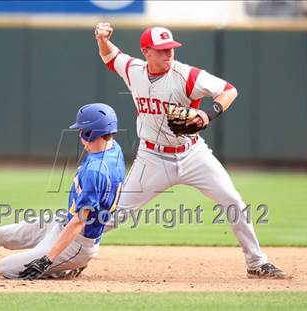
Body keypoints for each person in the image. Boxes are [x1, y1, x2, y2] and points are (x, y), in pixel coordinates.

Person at [94, 22, 289, 279]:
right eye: (161, 49)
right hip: (152, 157)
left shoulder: (187, 75)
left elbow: (229, 90)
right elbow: (110, 56)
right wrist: (102, 38)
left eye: (171, 48)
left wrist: (209, 114)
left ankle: (256, 262)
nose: (168, 53)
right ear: (146, 51)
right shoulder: (134, 70)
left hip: (192, 153)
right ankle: (69, 251)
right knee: (114, 215)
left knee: (233, 202)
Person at [0, 103, 125, 280]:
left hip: (78, 243)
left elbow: (80, 221)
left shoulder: (96, 171)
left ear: (90, 133)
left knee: (7, 268)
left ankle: (65, 267)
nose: (79, 134)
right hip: (62, 223)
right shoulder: (113, 149)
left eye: (82, 130)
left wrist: (47, 259)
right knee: (0, 234)